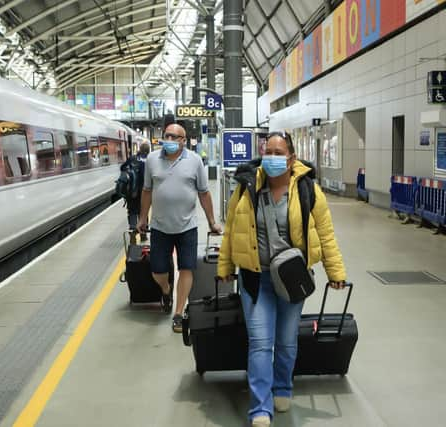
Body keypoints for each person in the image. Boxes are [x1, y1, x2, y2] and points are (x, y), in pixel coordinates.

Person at [217, 131, 347, 427]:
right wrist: (224, 266)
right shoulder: (247, 187)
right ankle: (260, 407)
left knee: (287, 342)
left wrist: (336, 271)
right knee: (261, 343)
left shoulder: (308, 190)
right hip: (255, 278)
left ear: (291, 157)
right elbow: (231, 230)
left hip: (292, 278)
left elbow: (325, 234)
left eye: (278, 152)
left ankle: (283, 387)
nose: (272, 157)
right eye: (268, 151)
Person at [137, 123, 222, 331]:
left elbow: (204, 192)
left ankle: (178, 312)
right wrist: (142, 218)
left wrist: (211, 221)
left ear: (184, 141)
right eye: (167, 135)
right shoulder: (151, 160)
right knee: (158, 271)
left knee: (186, 268)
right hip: (159, 225)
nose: (171, 140)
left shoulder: (194, 161)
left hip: (187, 226)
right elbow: (147, 190)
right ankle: (166, 290)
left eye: (176, 137)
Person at [120, 142, 150, 242]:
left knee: (132, 212)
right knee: (143, 213)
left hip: (132, 193)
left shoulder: (132, 159)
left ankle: (133, 234)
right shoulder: (150, 161)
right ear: (148, 151)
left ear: (139, 150)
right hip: (144, 193)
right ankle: (143, 235)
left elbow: (122, 168)